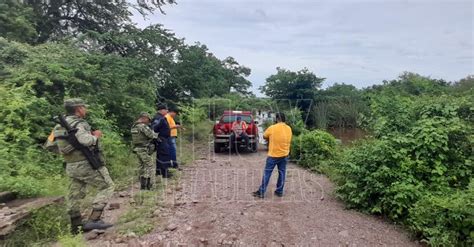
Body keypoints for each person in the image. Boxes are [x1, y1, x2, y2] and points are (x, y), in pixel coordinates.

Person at [52, 98, 115, 233]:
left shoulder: (58, 126)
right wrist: (96, 136)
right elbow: (85, 140)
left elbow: (50, 145)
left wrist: (68, 152)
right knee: (107, 186)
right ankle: (94, 220)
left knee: (74, 194)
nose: (85, 109)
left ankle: (76, 225)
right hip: (86, 163)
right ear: (78, 108)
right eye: (84, 107)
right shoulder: (79, 124)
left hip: (71, 166)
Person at [253, 112, 292, 198]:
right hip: (284, 155)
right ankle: (279, 191)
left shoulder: (272, 128)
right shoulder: (289, 128)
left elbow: (264, 136)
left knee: (267, 173)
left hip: (273, 155)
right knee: (282, 173)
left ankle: (261, 192)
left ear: (277, 119)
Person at [131, 112, 158, 190]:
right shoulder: (143, 126)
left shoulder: (134, 126)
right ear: (144, 118)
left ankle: (143, 186)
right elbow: (151, 135)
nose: (148, 122)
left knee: (141, 167)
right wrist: (157, 134)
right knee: (150, 166)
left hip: (137, 149)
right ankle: (150, 186)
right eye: (148, 120)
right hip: (144, 149)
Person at [152, 104, 172, 178]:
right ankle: (164, 173)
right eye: (165, 109)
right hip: (161, 139)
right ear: (161, 110)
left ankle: (159, 171)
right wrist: (157, 137)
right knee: (164, 155)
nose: (167, 111)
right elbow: (154, 128)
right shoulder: (158, 118)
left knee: (160, 156)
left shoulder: (162, 117)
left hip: (163, 139)